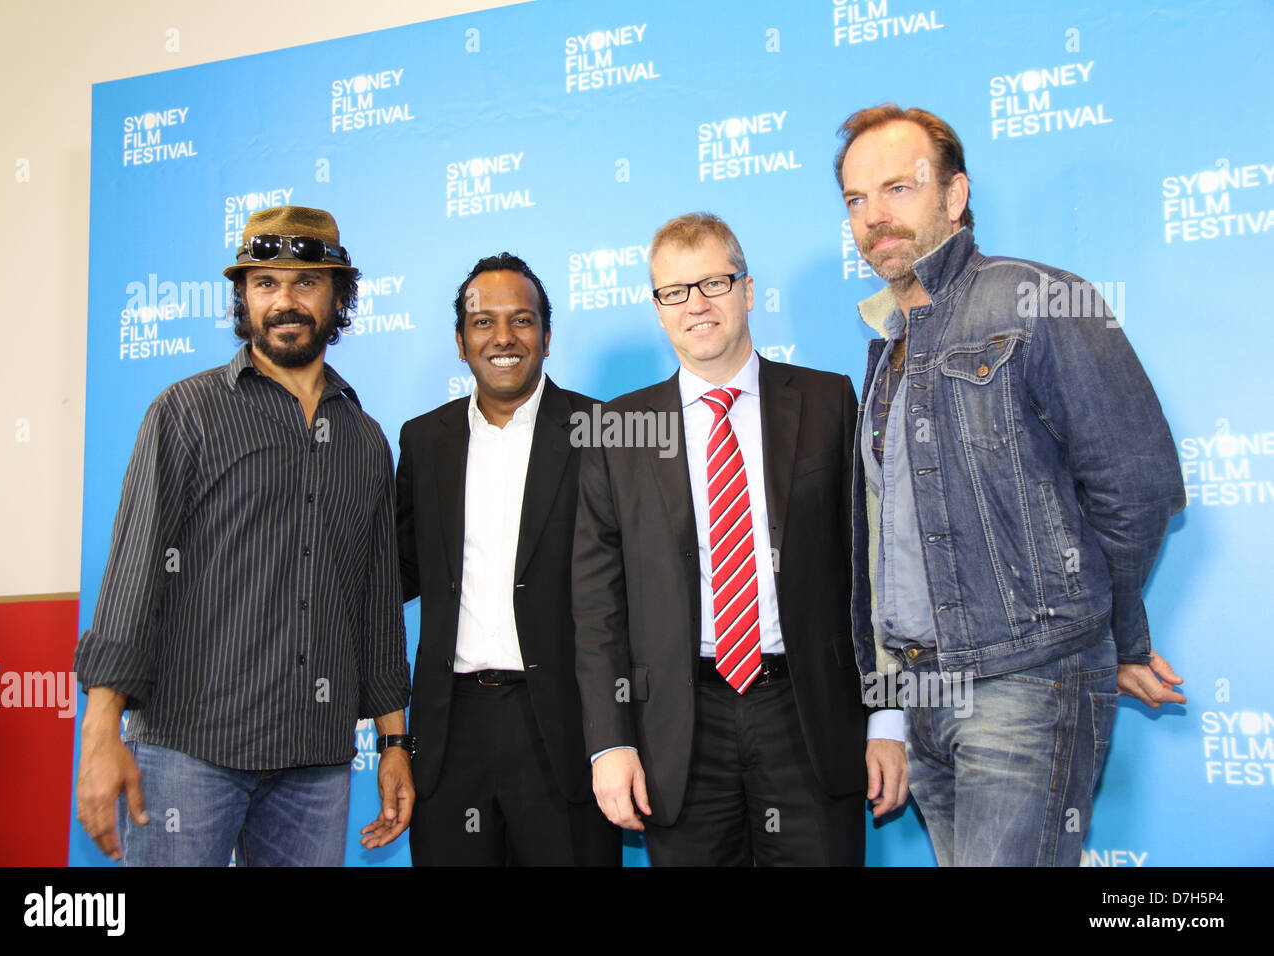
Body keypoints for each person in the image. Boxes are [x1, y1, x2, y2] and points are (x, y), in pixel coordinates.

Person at [835, 104, 1187, 866]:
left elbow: (1137, 485)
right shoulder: (887, 348)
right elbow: (887, 548)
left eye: (897, 188)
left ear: (955, 195)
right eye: (856, 199)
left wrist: (1113, 631)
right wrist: (888, 703)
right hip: (924, 697)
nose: (873, 216)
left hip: (1024, 682)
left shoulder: (1034, 299)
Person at [74, 205, 413, 865]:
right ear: (244, 298)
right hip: (187, 750)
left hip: (315, 762)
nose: (285, 302)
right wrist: (99, 731)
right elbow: (133, 577)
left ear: (338, 296)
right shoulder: (185, 412)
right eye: (265, 284)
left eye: (306, 282)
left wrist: (395, 744)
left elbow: (376, 606)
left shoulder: (366, 440)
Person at [573, 212, 906, 866]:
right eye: (675, 291)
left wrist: (889, 716)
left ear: (748, 291)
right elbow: (596, 605)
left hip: (810, 716)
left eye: (714, 283)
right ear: (658, 309)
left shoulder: (828, 402)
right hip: (677, 728)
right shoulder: (618, 429)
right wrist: (611, 743)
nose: (696, 304)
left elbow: (877, 567)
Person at [395, 253, 620, 865]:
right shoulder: (424, 439)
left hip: (565, 730)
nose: (503, 337)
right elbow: (399, 571)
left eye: (521, 320)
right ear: (460, 342)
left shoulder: (601, 431)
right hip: (450, 733)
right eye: (483, 322)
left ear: (547, 337)